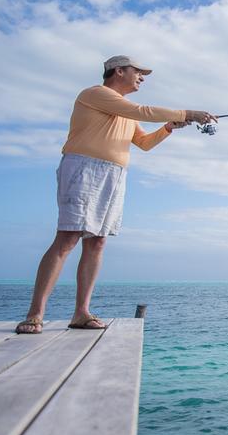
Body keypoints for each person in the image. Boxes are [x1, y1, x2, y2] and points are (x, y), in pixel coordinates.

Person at [15, 56, 216, 334]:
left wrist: (169, 127)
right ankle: (34, 314)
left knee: (97, 242)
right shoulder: (96, 94)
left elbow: (144, 143)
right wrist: (185, 113)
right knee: (68, 237)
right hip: (84, 167)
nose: (142, 78)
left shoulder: (125, 113)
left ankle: (81, 313)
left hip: (115, 174)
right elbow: (143, 111)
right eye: (138, 72)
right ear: (118, 71)